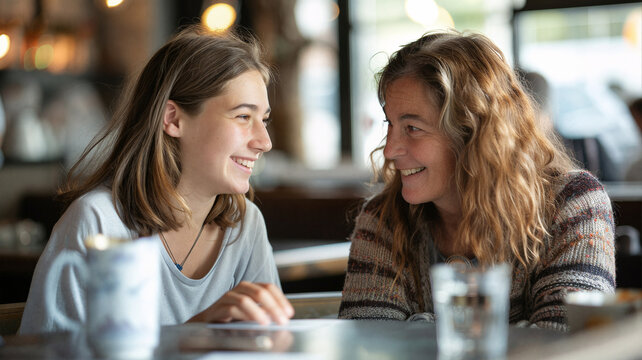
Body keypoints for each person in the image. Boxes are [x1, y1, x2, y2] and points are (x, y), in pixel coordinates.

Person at [19, 25, 294, 334]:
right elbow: (43, 353)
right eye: (243, 116)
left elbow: (268, 345)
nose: (264, 141)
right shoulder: (98, 222)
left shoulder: (244, 225)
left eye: (264, 120)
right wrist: (193, 335)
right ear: (173, 119)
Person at [338, 30, 615, 331]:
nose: (390, 149)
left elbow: (566, 343)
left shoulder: (574, 204)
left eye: (413, 128)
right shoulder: (383, 219)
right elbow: (368, 345)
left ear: (475, 133)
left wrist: (419, 329)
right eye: (390, 124)